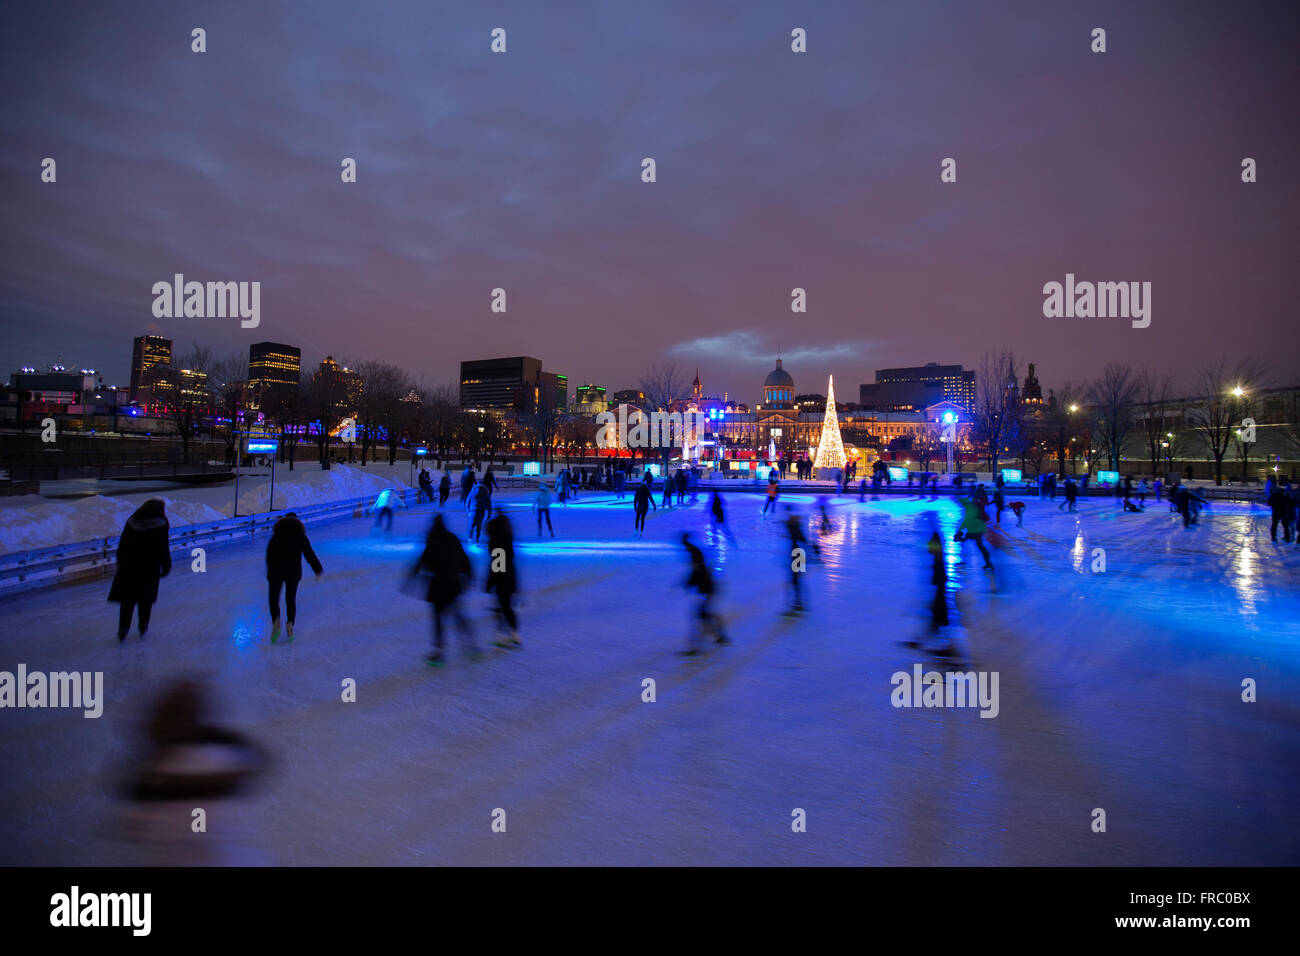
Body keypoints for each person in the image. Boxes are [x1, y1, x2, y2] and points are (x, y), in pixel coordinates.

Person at [409, 515, 477, 666]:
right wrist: (469, 576)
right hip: (453, 584)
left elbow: (423, 561)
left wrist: (411, 577)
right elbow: (464, 559)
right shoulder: (452, 538)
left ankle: (439, 652)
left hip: (438, 586)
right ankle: (471, 645)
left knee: (438, 619)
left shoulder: (431, 539)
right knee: (458, 615)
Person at [109, 498, 172, 642]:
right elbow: (162, 547)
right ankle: (143, 625)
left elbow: (123, 543)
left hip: (128, 565)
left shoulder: (132, 520)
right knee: (145, 599)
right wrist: (166, 565)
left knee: (127, 600)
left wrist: (120, 561)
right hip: (149, 566)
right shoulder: (160, 523)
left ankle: (123, 628)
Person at [265, 512, 323, 643]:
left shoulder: (276, 536)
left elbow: (269, 556)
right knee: (290, 599)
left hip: (276, 571)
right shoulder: (300, 536)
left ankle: (276, 620)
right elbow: (310, 555)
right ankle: (290, 623)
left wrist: (269, 572)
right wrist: (318, 569)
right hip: (293, 572)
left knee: (273, 598)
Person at [679, 533, 728, 654]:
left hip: (707, 590)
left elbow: (697, 574)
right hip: (707, 590)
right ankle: (719, 636)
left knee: (700, 616)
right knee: (704, 616)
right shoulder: (697, 556)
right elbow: (697, 573)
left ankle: (696, 647)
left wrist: (688, 583)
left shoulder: (696, 558)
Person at [485, 512, 521, 649]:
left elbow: (497, 566)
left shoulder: (497, 544)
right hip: (510, 578)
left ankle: (507, 635)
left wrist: (490, 582)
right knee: (504, 607)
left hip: (502, 581)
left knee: (503, 607)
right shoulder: (506, 540)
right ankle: (512, 634)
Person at [956, 494, 994, 571]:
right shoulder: (971, 506)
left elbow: (967, 521)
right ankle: (988, 563)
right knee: (979, 546)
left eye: (961, 504)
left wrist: (960, 531)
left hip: (976, 530)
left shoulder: (969, 508)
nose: (961, 505)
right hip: (978, 529)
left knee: (968, 543)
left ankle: (963, 561)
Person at [783, 510, 809, 614]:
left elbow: (801, 541)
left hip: (797, 555)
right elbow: (803, 541)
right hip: (798, 555)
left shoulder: (793, 530)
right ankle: (798, 602)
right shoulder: (795, 529)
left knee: (795, 581)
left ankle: (798, 603)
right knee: (796, 581)